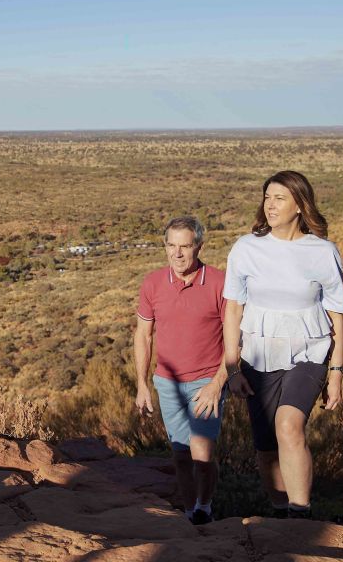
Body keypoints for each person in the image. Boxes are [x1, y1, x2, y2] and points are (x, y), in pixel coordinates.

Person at [222, 170, 343, 519]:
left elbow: (336, 314)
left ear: (300, 205)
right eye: (267, 197)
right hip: (257, 356)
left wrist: (336, 373)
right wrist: (232, 367)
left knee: (289, 426)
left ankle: (300, 513)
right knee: (265, 449)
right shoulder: (246, 248)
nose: (270, 204)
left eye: (279, 198)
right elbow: (233, 309)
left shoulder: (323, 252)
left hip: (308, 353)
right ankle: (279, 513)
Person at [134, 216, 228, 525]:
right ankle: (191, 514)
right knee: (180, 455)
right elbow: (143, 335)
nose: (177, 253)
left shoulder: (219, 282)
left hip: (206, 382)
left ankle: (206, 505)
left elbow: (235, 339)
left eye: (185, 246)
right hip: (168, 383)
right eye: (171, 246)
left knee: (202, 454)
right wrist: (142, 384)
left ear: (199, 246)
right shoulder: (153, 283)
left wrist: (218, 384)